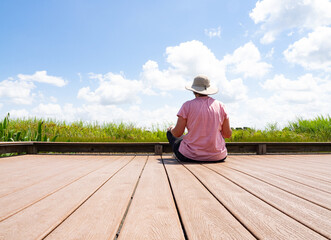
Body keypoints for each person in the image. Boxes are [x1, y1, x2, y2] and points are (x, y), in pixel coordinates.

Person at [167, 75, 232, 162]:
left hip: (189, 156)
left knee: (170, 133)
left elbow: (178, 133)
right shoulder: (221, 106)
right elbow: (227, 134)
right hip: (218, 156)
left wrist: (171, 129)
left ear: (194, 90)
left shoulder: (187, 105)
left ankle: (177, 153)